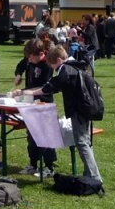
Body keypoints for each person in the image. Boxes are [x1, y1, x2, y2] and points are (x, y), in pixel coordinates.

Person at [28, 46, 102, 182]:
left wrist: (32, 92)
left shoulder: (66, 70)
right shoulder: (76, 66)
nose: (52, 68)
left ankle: (94, 176)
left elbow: (53, 85)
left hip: (79, 110)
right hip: (86, 108)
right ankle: (89, 173)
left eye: (52, 64)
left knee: (81, 142)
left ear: (58, 60)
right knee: (84, 141)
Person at [12, 39, 57, 177]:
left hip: (44, 103)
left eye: (32, 57)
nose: (29, 60)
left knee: (45, 135)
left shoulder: (47, 65)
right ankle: (33, 164)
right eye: (28, 57)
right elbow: (20, 65)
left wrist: (24, 91)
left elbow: (45, 88)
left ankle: (49, 167)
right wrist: (19, 75)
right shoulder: (29, 59)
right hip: (29, 102)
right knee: (31, 136)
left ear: (41, 53)